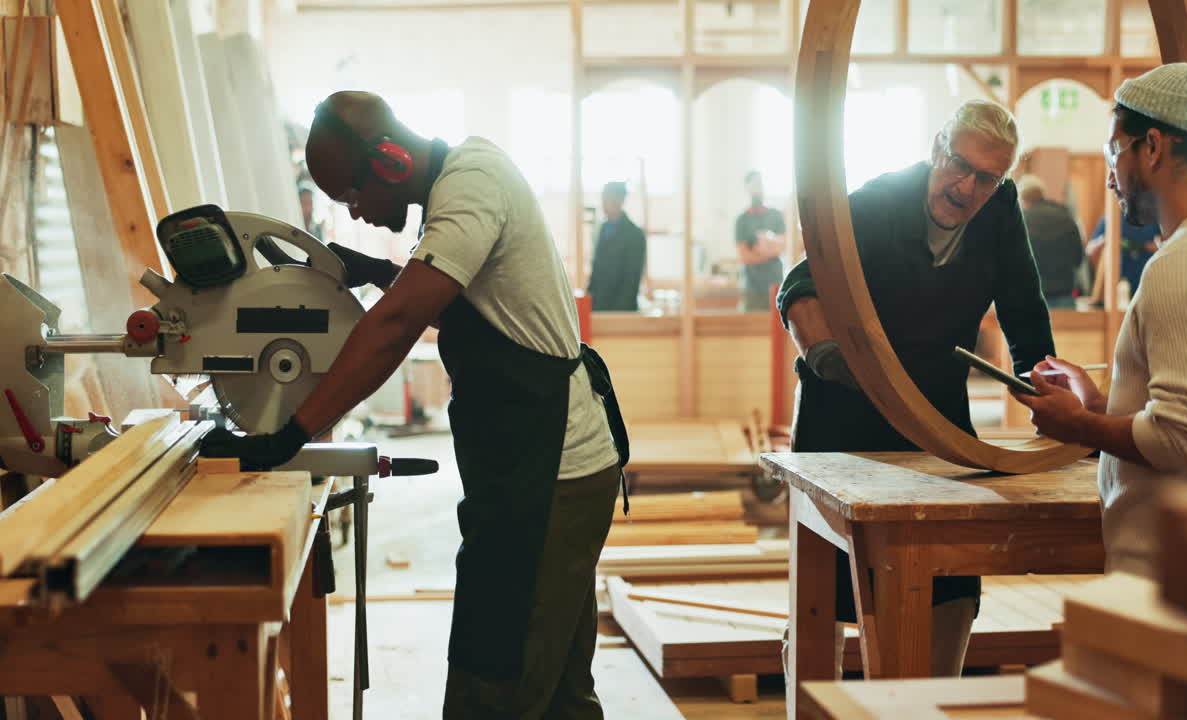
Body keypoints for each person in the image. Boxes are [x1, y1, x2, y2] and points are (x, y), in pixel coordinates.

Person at [200, 91, 629, 719]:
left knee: (496, 682)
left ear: (393, 162)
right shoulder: (460, 184)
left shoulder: (471, 184)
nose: (356, 212)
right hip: (534, 470)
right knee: (559, 692)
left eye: (351, 196)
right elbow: (476, 307)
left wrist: (288, 434)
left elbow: (398, 322)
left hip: (550, 477)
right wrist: (376, 268)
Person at [776, 99, 1055, 679]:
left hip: (936, 416)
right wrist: (829, 354)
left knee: (951, 579)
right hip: (845, 413)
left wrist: (1047, 395)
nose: (967, 187)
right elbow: (799, 284)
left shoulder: (1000, 210)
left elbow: (1026, 313)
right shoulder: (878, 202)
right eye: (959, 166)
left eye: (986, 177)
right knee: (827, 586)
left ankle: (927, 707)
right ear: (936, 149)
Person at [1013, 64, 1187, 578]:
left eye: (1115, 150)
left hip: (1169, 573)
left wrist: (1079, 424)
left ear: (1152, 147)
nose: (1110, 174)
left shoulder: (1185, 263)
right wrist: (1102, 406)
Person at [1018, 174, 1084, 308]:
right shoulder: (1065, 216)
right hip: (1064, 294)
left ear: (1023, 198)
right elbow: (1078, 258)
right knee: (1066, 329)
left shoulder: (1021, 221)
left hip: (1031, 296)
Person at [586, 181, 646, 311]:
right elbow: (596, 271)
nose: (603, 204)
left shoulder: (635, 234)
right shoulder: (602, 229)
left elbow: (632, 280)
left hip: (621, 311)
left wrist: (617, 314)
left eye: (607, 198)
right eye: (603, 198)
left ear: (620, 200)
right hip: (597, 307)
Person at [735, 170, 786, 311]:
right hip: (752, 287)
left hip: (775, 283)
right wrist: (770, 250)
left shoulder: (776, 215)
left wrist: (758, 250)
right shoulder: (742, 220)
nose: (759, 187)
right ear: (747, 187)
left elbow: (783, 246)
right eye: (755, 183)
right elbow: (744, 256)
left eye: (761, 183)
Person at [1086, 215, 1160, 293]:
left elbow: (1164, 244)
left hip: (1146, 278)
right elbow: (1089, 249)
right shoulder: (1111, 216)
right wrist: (1104, 240)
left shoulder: (1152, 218)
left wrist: (1147, 246)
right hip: (1116, 283)